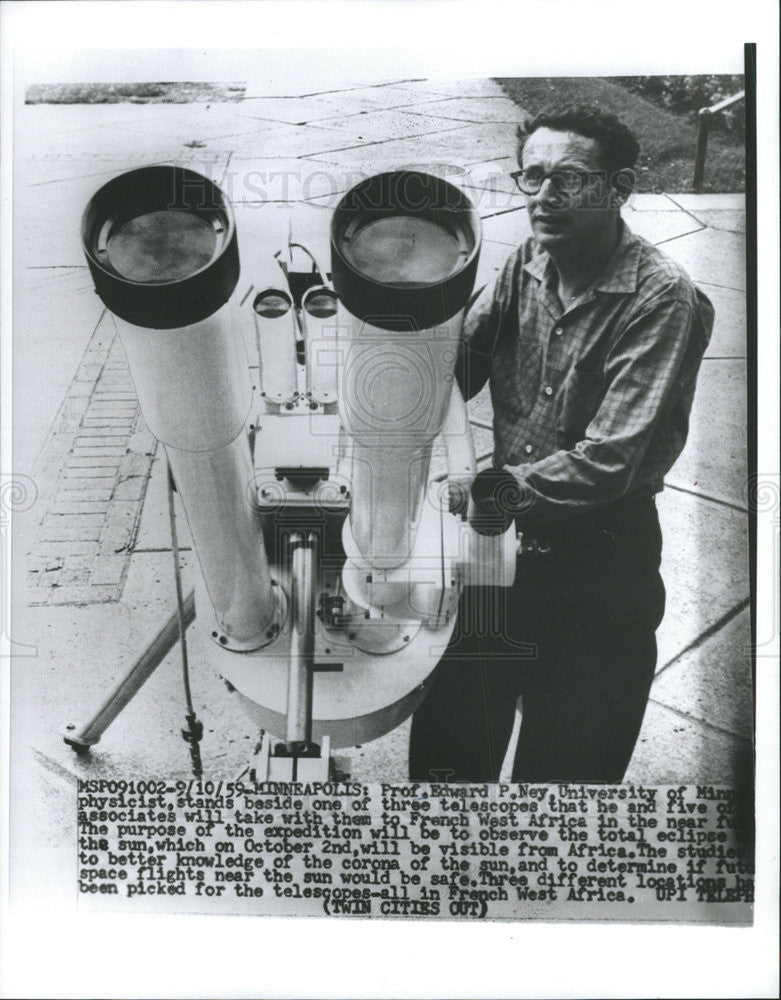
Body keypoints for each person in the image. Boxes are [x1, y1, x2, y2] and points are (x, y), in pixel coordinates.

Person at [409, 105, 715, 784]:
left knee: (560, 788)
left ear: (619, 185)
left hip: (598, 564)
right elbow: (459, 370)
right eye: (533, 176)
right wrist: (403, 331)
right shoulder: (530, 256)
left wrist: (484, 490)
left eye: (569, 179)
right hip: (497, 548)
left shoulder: (662, 299)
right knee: (446, 766)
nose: (544, 197)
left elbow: (608, 461)